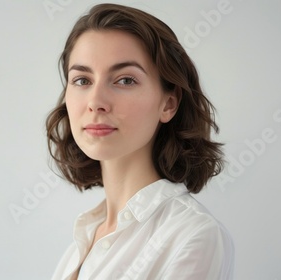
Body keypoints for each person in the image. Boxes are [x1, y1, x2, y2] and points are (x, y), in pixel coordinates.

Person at [46, 3, 234, 280]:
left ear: (168, 104)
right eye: (82, 80)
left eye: (124, 80)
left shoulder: (192, 236)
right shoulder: (82, 240)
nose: (96, 102)